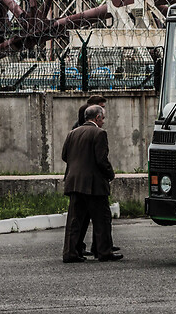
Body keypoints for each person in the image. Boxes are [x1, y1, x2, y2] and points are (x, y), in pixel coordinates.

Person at [61, 104, 122, 263]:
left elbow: (64, 155)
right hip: (94, 184)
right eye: (103, 118)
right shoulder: (99, 133)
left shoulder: (72, 133)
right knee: (102, 218)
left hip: (74, 182)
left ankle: (70, 253)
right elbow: (101, 160)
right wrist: (110, 174)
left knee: (75, 220)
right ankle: (104, 252)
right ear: (97, 118)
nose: (103, 122)